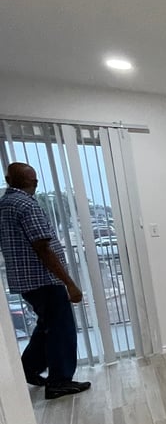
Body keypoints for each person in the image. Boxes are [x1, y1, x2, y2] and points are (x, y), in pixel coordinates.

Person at [0, 162, 90, 399]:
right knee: (61, 329)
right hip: (43, 279)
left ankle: (28, 368)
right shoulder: (26, 205)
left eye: (35, 179)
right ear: (13, 181)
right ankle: (59, 381)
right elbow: (42, 247)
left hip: (26, 281)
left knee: (47, 326)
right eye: (32, 180)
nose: (36, 183)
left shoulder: (5, 204)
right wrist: (69, 282)